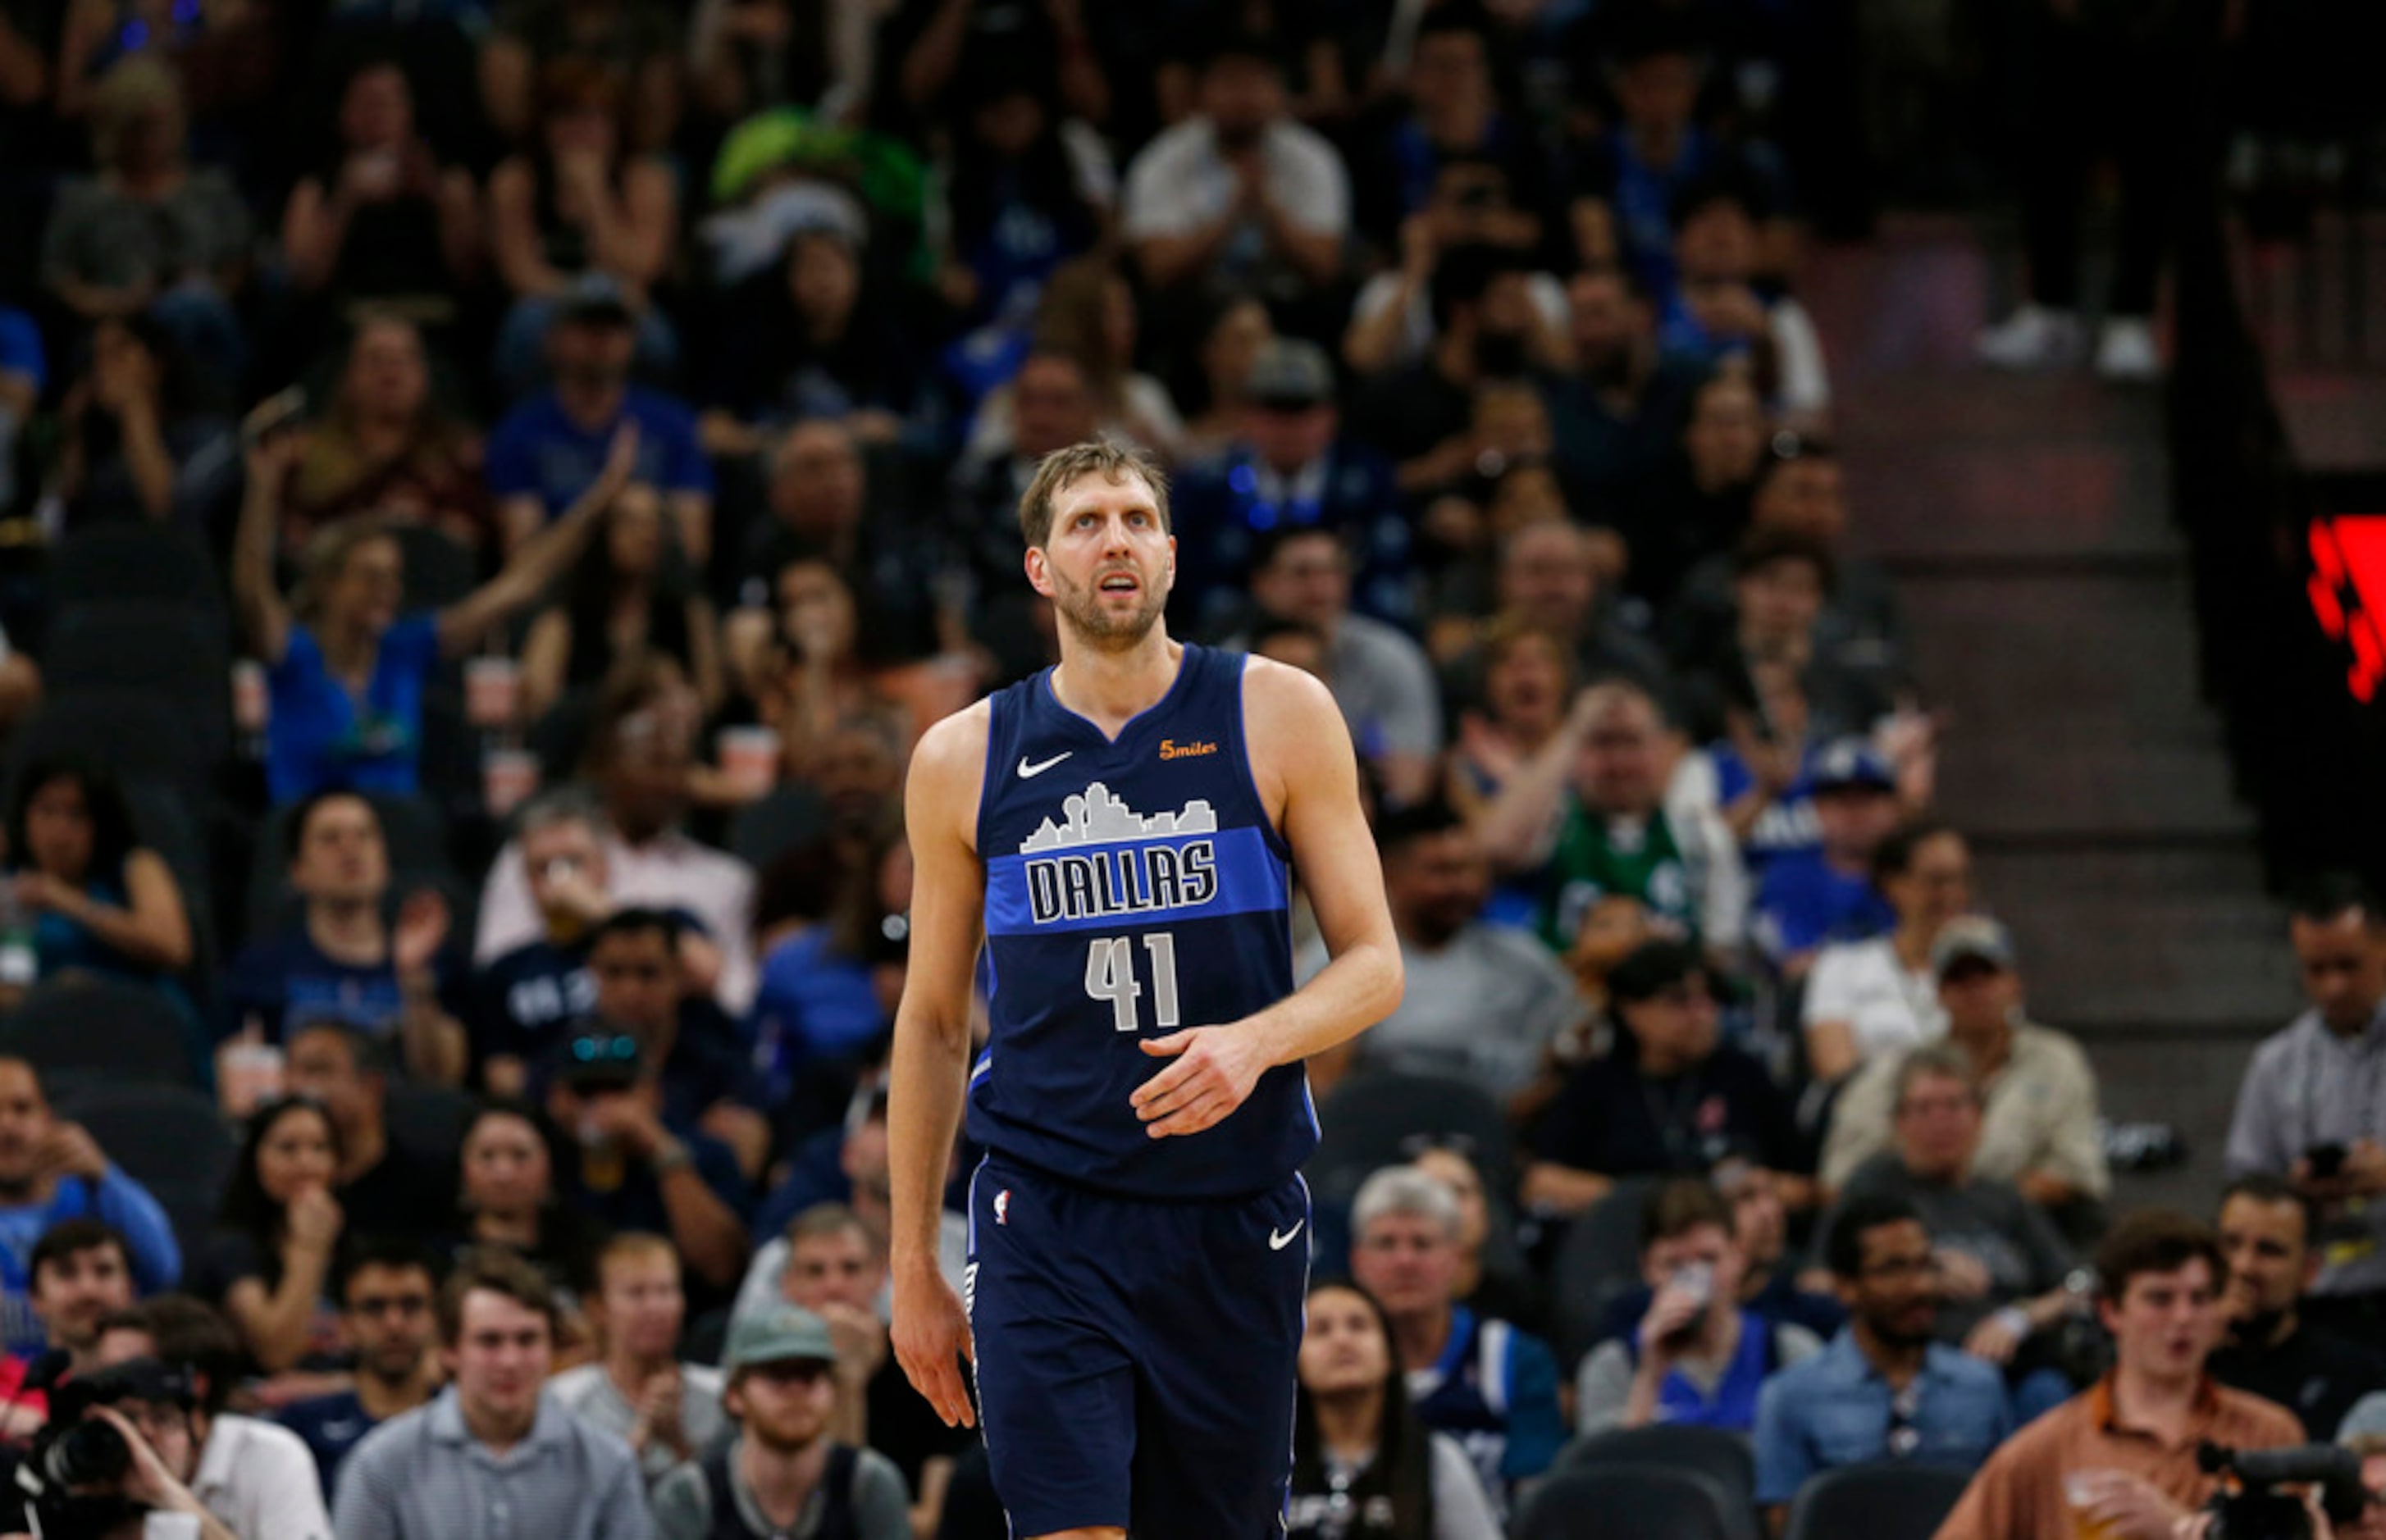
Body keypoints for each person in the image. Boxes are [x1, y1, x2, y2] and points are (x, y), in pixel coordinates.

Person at [887, 439, 1403, 1539]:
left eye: (1133, 518)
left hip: (1229, 1211)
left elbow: (1374, 963)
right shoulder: (960, 757)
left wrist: (1256, 1042)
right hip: (1045, 1208)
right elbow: (932, 1019)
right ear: (1040, 568)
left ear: (1169, 555)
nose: (1112, 539)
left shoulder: (1279, 711)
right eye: (1083, 522)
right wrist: (910, 1263)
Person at [233, 402, 634, 807]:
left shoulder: (404, 649)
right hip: (312, 838)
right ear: (327, 585)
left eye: (393, 577)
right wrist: (263, 485)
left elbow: (520, 585)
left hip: (399, 845)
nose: (387, 590)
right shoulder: (294, 654)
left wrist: (598, 501)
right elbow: (252, 592)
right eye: (371, 576)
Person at [1932, 1211, 2303, 1540]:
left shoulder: (2269, 1435)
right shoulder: (2041, 1453)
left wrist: (2183, 1529)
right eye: (2160, 1299)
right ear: (2111, 1312)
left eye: (2200, 1299)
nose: (2183, 1318)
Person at [475, 662, 760, 1014]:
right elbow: (497, 978)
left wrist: (602, 912)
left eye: (676, 766)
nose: (664, 781)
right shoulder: (548, 853)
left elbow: (737, 1000)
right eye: (650, 762)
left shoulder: (725, 879)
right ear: (607, 766)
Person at [333, 1248, 654, 1540]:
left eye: (527, 1340)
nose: (510, 1361)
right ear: (449, 1351)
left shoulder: (608, 1463)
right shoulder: (380, 1463)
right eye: (489, 1341)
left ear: (551, 1350)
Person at [1303, 800, 1585, 1110]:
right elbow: (1321, 1086)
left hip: (1504, 1134)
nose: (1462, 885)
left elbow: (1574, 1046)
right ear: (1388, 875)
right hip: (1379, 1138)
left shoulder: (1524, 961)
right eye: (1441, 871)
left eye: (1471, 868)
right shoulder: (1341, 963)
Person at [1753, 1194, 2013, 1527]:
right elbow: (1786, 1528)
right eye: (1893, 1269)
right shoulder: (1789, 1396)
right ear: (1846, 1287)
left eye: (1925, 1265)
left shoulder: (1981, 1384)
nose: (1919, 1286)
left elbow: (2009, 1512)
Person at [1823, 918, 2110, 1216]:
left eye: (1987, 974)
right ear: (1938, 993)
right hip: (1916, 1220)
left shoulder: (2056, 1060)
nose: (1975, 990)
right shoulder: (1900, 1068)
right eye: (1958, 978)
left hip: (2027, 1221)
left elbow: (2078, 1174)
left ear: (2014, 985)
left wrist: (1978, 1198)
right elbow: (1842, 1175)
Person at [1827, 1046, 2079, 1378]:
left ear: (1979, 1117)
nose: (1940, 1122)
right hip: (1918, 1365)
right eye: (1924, 1108)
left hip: (2017, 1365)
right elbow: (1820, 1281)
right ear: (1898, 1122)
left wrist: (2018, 1319)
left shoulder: (2003, 1196)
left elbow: (2076, 1287)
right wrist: (1924, 1271)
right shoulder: (1873, 1187)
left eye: (1954, 1106)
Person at [1523, 940, 1804, 1215]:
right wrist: (1660, 1202)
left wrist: (1758, 1189)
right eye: (1679, 1000)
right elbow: (1542, 1182)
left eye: (1710, 998)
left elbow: (1805, 1185)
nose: (1702, 1014)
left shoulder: (1744, 1076)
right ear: (1631, 1009)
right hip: (1625, 1239)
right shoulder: (1597, 1084)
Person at [1346, 1165, 1563, 1513]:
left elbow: (1535, 1500)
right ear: (1358, 1261)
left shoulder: (1513, 1358)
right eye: (1386, 1244)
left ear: (1455, 1258)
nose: (1405, 1261)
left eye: (1422, 1243)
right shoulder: (1331, 1363)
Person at [2226, 874, 2386, 1333]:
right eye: (2317, 969)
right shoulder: (2275, 1064)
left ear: (2383, 948)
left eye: (2348, 965)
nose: (2334, 986)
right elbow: (2242, 1186)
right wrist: (2290, 1192)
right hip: (2317, 1302)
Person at [1475, 681, 1741, 953]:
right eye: (1602, 742)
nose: (1619, 763)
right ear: (1576, 752)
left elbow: (1721, 949)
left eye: (1632, 742)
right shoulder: (1554, 822)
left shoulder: (1702, 837)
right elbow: (1493, 848)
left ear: (1663, 748)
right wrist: (1573, 730)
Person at [220, 792, 468, 1085]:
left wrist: (413, 977)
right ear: (298, 870)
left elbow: (443, 1078)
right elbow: (237, 1074)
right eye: (330, 838)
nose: (350, 849)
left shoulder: (432, 961)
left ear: (385, 860)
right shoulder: (262, 967)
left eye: (364, 835)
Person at [1171, 341, 1408, 637]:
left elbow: (1390, 585)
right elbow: (1187, 591)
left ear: (1329, 415)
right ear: (1247, 415)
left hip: (1348, 643)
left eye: (1302, 410)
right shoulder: (1203, 487)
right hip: (1230, 645)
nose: (1288, 426)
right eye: (1273, 410)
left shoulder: (1368, 480)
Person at [486, 61, 680, 400]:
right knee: (525, 327)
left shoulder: (646, 179)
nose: (581, 131)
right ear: (545, 126)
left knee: (655, 340)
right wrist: (593, 293)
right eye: (568, 117)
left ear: (617, 126)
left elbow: (642, 267)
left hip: (621, 309)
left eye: (595, 118)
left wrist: (595, 199)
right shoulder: (515, 180)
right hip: (550, 303)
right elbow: (521, 274)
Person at [1575, 1178, 1825, 1437]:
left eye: (1709, 1259)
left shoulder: (1790, 1353)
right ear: (1648, 1268)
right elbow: (1605, 1473)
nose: (1695, 1280)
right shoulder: (1612, 1367)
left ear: (1738, 1258)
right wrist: (1650, 1377)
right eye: (1674, 1265)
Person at [484, 280, 710, 562]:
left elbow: (694, 548)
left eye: (614, 327)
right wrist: (604, 496)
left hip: (653, 587)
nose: (601, 338)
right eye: (586, 325)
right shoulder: (519, 431)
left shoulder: (673, 424)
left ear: (633, 340)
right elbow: (520, 554)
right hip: (557, 591)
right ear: (553, 338)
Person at [650, 1303, 912, 1540]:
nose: (796, 1391)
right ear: (734, 1395)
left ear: (832, 1389)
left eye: (809, 1374)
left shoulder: (868, 1484)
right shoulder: (692, 1496)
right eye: (777, 1374)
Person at [1120, 31, 1348, 305]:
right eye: (1230, 83)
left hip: (1289, 304)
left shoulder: (1313, 156)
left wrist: (1267, 209)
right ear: (1201, 92)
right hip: (1195, 308)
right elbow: (1157, 270)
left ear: (1279, 91)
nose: (1243, 97)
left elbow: (1324, 267)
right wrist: (1231, 213)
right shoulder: (1163, 159)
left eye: (1255, 83)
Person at [89, 1301, 335, 1540]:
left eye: (128, 1371)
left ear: (194, 1384)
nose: (110, 1385)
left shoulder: (269, 1454)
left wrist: (167, 1495)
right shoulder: (86, 1456)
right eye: (104, 1371)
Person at [1234, 524, 1438, 805]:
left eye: (1331, 572)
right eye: (1301, 573)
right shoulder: (1229, 665)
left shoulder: (1390, 656)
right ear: (1262, 583)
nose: (1319, 588)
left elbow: (1408, 786)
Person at [1286, 1278, 1503, 1540]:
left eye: (1358, 1325)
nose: (1342, 1341)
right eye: (1321, 1330)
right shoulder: (1271, 1463)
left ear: (1390, 1352)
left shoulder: (1436, 1458)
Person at [543, 1031, 750, 1296]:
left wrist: (662, 1152)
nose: (604, 1106)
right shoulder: (540, 1154)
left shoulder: (705, 1154)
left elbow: (720, 1268)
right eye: (586, 1092)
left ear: (654, 1093)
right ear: (556, 1098)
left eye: (620, 1091)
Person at [0, 1058, 179, 1359]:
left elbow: (164, 1269)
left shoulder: (94, 1193)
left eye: (22, 1108)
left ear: (49, 1118)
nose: (6, 1125)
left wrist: (105, 1175)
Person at [275, 316, 494, 558]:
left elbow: (475, 541)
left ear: (426, 375)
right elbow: (289, 543)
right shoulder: (302, 455)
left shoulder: (462, 456)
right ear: (348, 376)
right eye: (375, 359)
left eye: (404, 359)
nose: (390, 370)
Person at [519, 481, 726, 723]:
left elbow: (712, 698)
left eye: (653, 523)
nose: (645, 534)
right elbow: (537, 702)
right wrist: (624, 689)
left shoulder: (684, 604)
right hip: (585, 746)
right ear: (603, 531)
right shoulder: (569, 606)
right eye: (630, 521)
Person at [1, 755, 194, 1009]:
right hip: (45, 1023)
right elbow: (9, 987)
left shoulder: (135, 866)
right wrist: (54, 994)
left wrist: (70, 902)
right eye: (47, 811)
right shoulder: (13, 885)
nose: (60, 831)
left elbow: (174, 948)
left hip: (140, 1015)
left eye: (76, 815)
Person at [2207, 1173, 2386, 1442]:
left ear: (2309, 1271)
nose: (2243, 1266)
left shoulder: (2356, 1378)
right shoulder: (2169, 1361)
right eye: (2231, 1244)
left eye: (2269, 1250)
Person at [1803, 820, 1972, 1085]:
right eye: (1936, 881)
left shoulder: (1984, 969)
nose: (1952, 894)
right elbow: (1835, 1068)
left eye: (1960, 879)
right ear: (1894, 885)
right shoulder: (1841, 966)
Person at [550, 1233, 727, 1487]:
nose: (655, 1307)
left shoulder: (720, 1395)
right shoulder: (565, 1401)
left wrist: (677, 1442)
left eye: (666, 1291)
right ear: (597, 1309)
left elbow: (728, 1504)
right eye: (636, 1293)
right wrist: (639, 1438)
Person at [274, 1238, 444, 1501]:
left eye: (411, 1305)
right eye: (374, 1307)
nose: (394, 1324)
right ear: (345, 1325)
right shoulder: (300, 1427)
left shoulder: (470, 1423)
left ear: (436, 1318)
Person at [201, 1097, 347, 1374]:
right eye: (288, 1148)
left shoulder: (353, 1236)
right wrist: (309, 1249)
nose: (307, 1163)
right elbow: (275, 1353)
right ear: (254, 1158)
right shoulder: (232, 1248)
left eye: (320, 1147)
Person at [283, 1023, 456, 1244]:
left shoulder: (427, 1191)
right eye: (289, 1071)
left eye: (318, 1070)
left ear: (370, 1087)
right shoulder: (278, 1185)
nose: (296, 1086)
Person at [1749, 738, 1901, 976]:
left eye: (1867, 800)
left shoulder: (1913, 877)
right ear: (1817, 808)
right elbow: (1796, 965)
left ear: (1894, 808)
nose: (1855, 814)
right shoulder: (1787, 878)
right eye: (1841, 801)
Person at [449, 1099, 603, 1302]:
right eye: (487, 1156)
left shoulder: (588, 1257)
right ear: (463, 1167)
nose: (504, 1174)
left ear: (549, 1165)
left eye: (520, 1155)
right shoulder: (440, 1260)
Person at [25, 1218, 137, 1379]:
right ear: (36, 1297)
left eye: (104, 1271)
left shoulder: (171, 1394)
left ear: (131, 1289)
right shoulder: (7, 1398)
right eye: (66, 1273)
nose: (88, 1289)